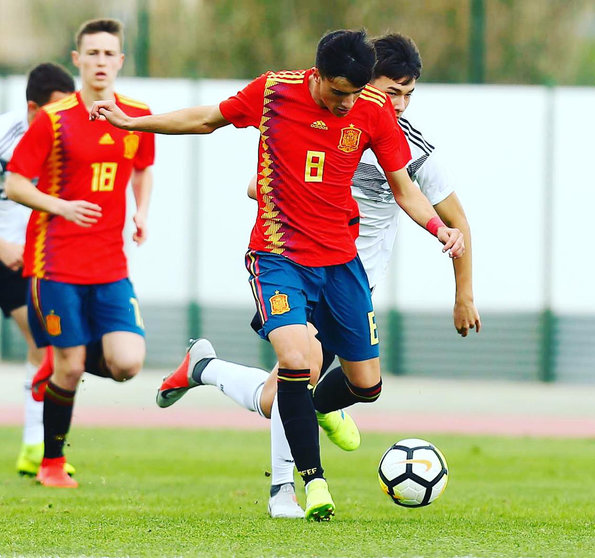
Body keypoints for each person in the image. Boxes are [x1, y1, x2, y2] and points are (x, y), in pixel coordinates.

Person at [89, 29, 464, 521]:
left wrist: (439, 228)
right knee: (296, 361)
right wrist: (133, 124)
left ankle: (206, 370)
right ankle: (305, 486)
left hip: (341, 265)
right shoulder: (273, 91)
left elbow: (404, 189)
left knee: (363, 386)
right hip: (279, 257)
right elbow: (205, 119)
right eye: (338, 93)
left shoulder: (372, 112)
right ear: (317, 76)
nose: (347, 104)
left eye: (355, 94)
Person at [6, 18, 155, 488]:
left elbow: (143, 168)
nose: (101, 62)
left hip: (110, 263)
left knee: (127, 362)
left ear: (120, 61)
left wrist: (141, 212)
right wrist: (61, 206)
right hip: (55, 263)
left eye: (109, 54)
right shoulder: (53, 119)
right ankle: (51, 464)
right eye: (92, 54)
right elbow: (14, 183)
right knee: (70, 366)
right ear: (78, 60)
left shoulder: (136, 114)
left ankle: (59, 365)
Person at [0, 63, 76, 477]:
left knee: (44, 345)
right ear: (32, 109)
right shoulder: (5, 135)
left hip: (22, 262)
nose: (61, 120)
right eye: (53, 111)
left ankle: (35, 446)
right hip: (4, 251)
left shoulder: (64, 142)